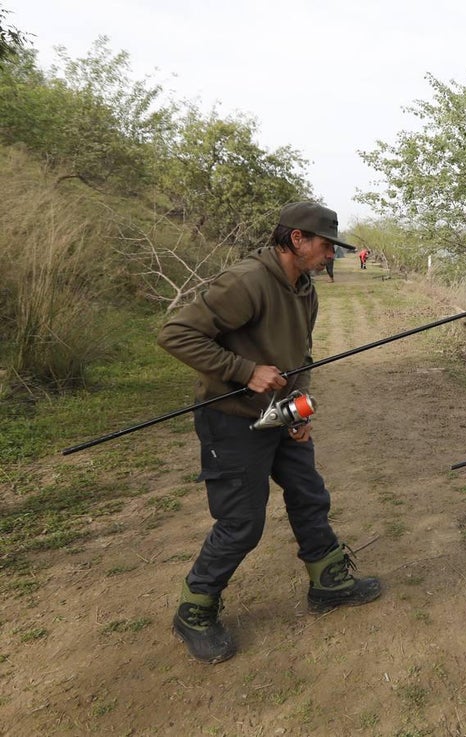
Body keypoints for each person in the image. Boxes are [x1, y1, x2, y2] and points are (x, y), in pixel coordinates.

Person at [157, 201, 382, 664]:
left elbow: (302, 357)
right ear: (296, 239)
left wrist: (298, 412)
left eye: (334, 250)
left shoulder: (305, 290)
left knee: (309, 494)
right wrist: (244, 370)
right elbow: (176, 333)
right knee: (242, 522)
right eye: (325, 247)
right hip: (232, 419)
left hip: (281, 415)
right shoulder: (248, 281)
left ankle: (329, 584)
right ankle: (195, 610)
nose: (330, 256)